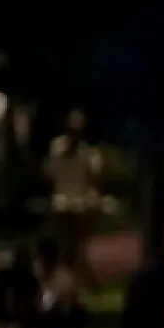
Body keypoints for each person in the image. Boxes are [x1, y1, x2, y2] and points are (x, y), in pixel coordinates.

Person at [45, 110, 103, 283]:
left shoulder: (86, 153)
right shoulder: (61, 148)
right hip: (68, 204)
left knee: (75, 246)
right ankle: (68, 276)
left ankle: (74, 276)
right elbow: (51, 174)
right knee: (68, 245)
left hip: (76, 204)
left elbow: (95, 180)